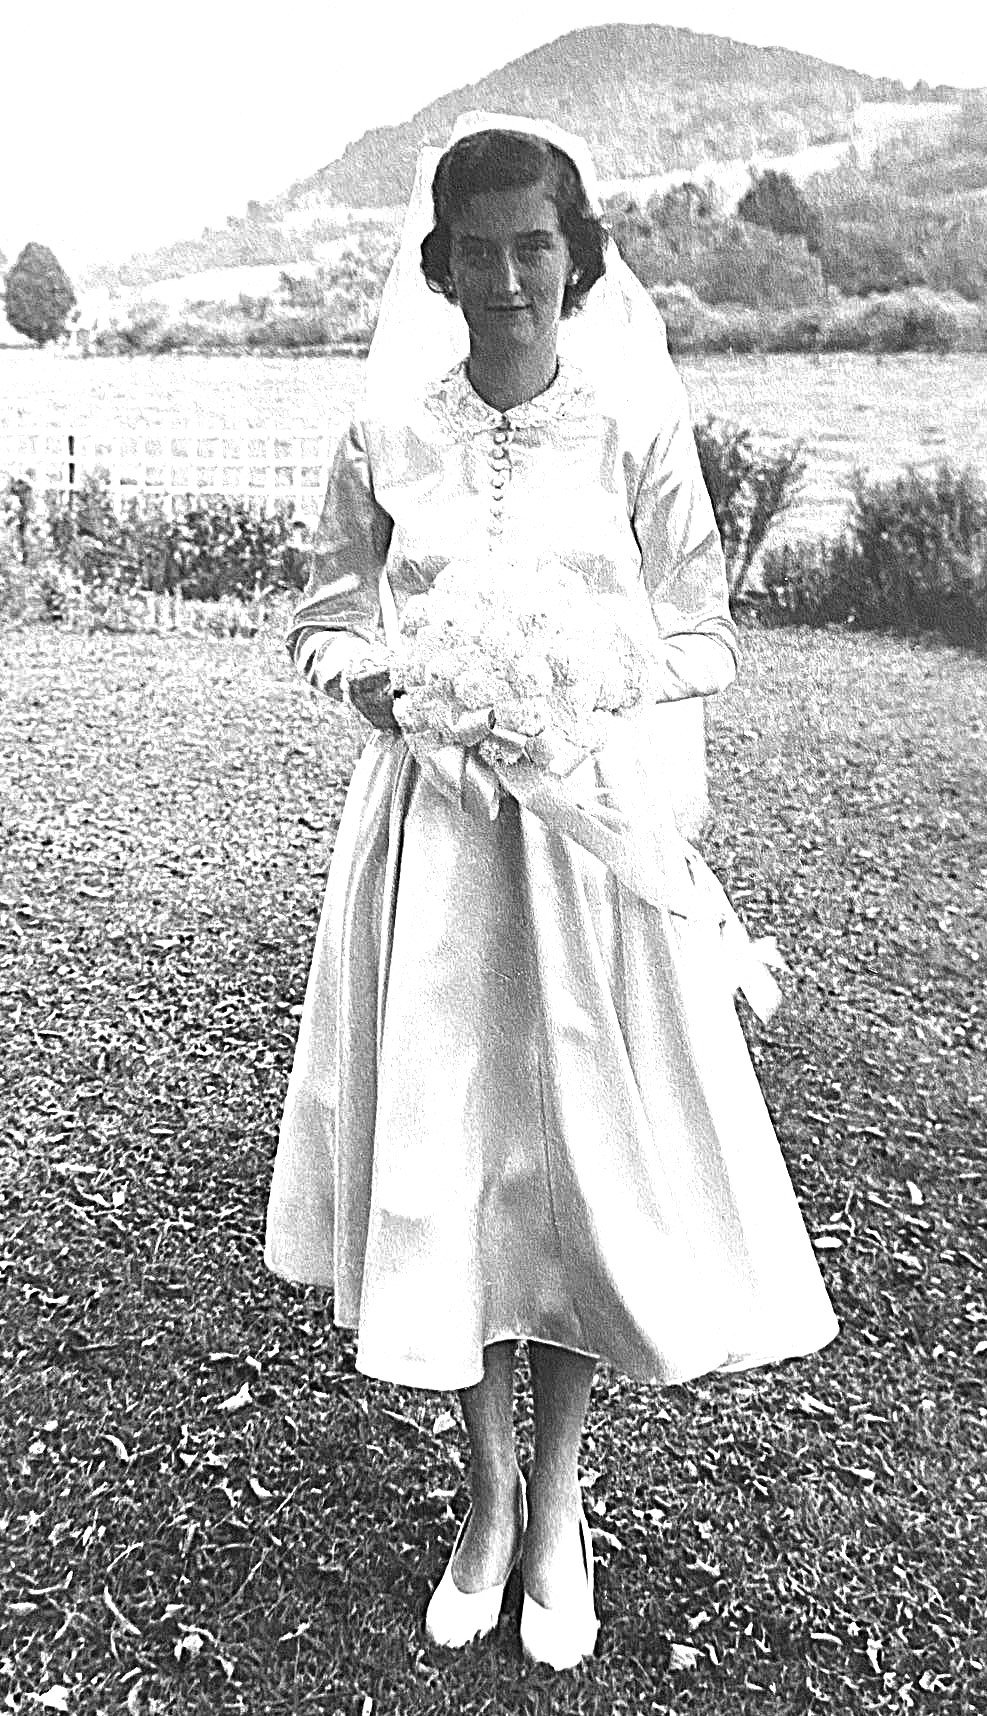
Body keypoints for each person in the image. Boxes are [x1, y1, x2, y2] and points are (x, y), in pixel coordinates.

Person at [265, 113, 838, 1672]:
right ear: (437, 264)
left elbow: (706, 630)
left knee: (572, 1151)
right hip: (436, 838)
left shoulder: (634, 429)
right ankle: (488, 1494)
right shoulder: (387, 427)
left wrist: (588, 679)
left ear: (577, 259)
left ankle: (567, 1495)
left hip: (585, 830)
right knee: (455, 1147)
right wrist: (387, 681)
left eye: (538, 244)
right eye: (479, 247)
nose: (509, 273)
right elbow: (326, 614)